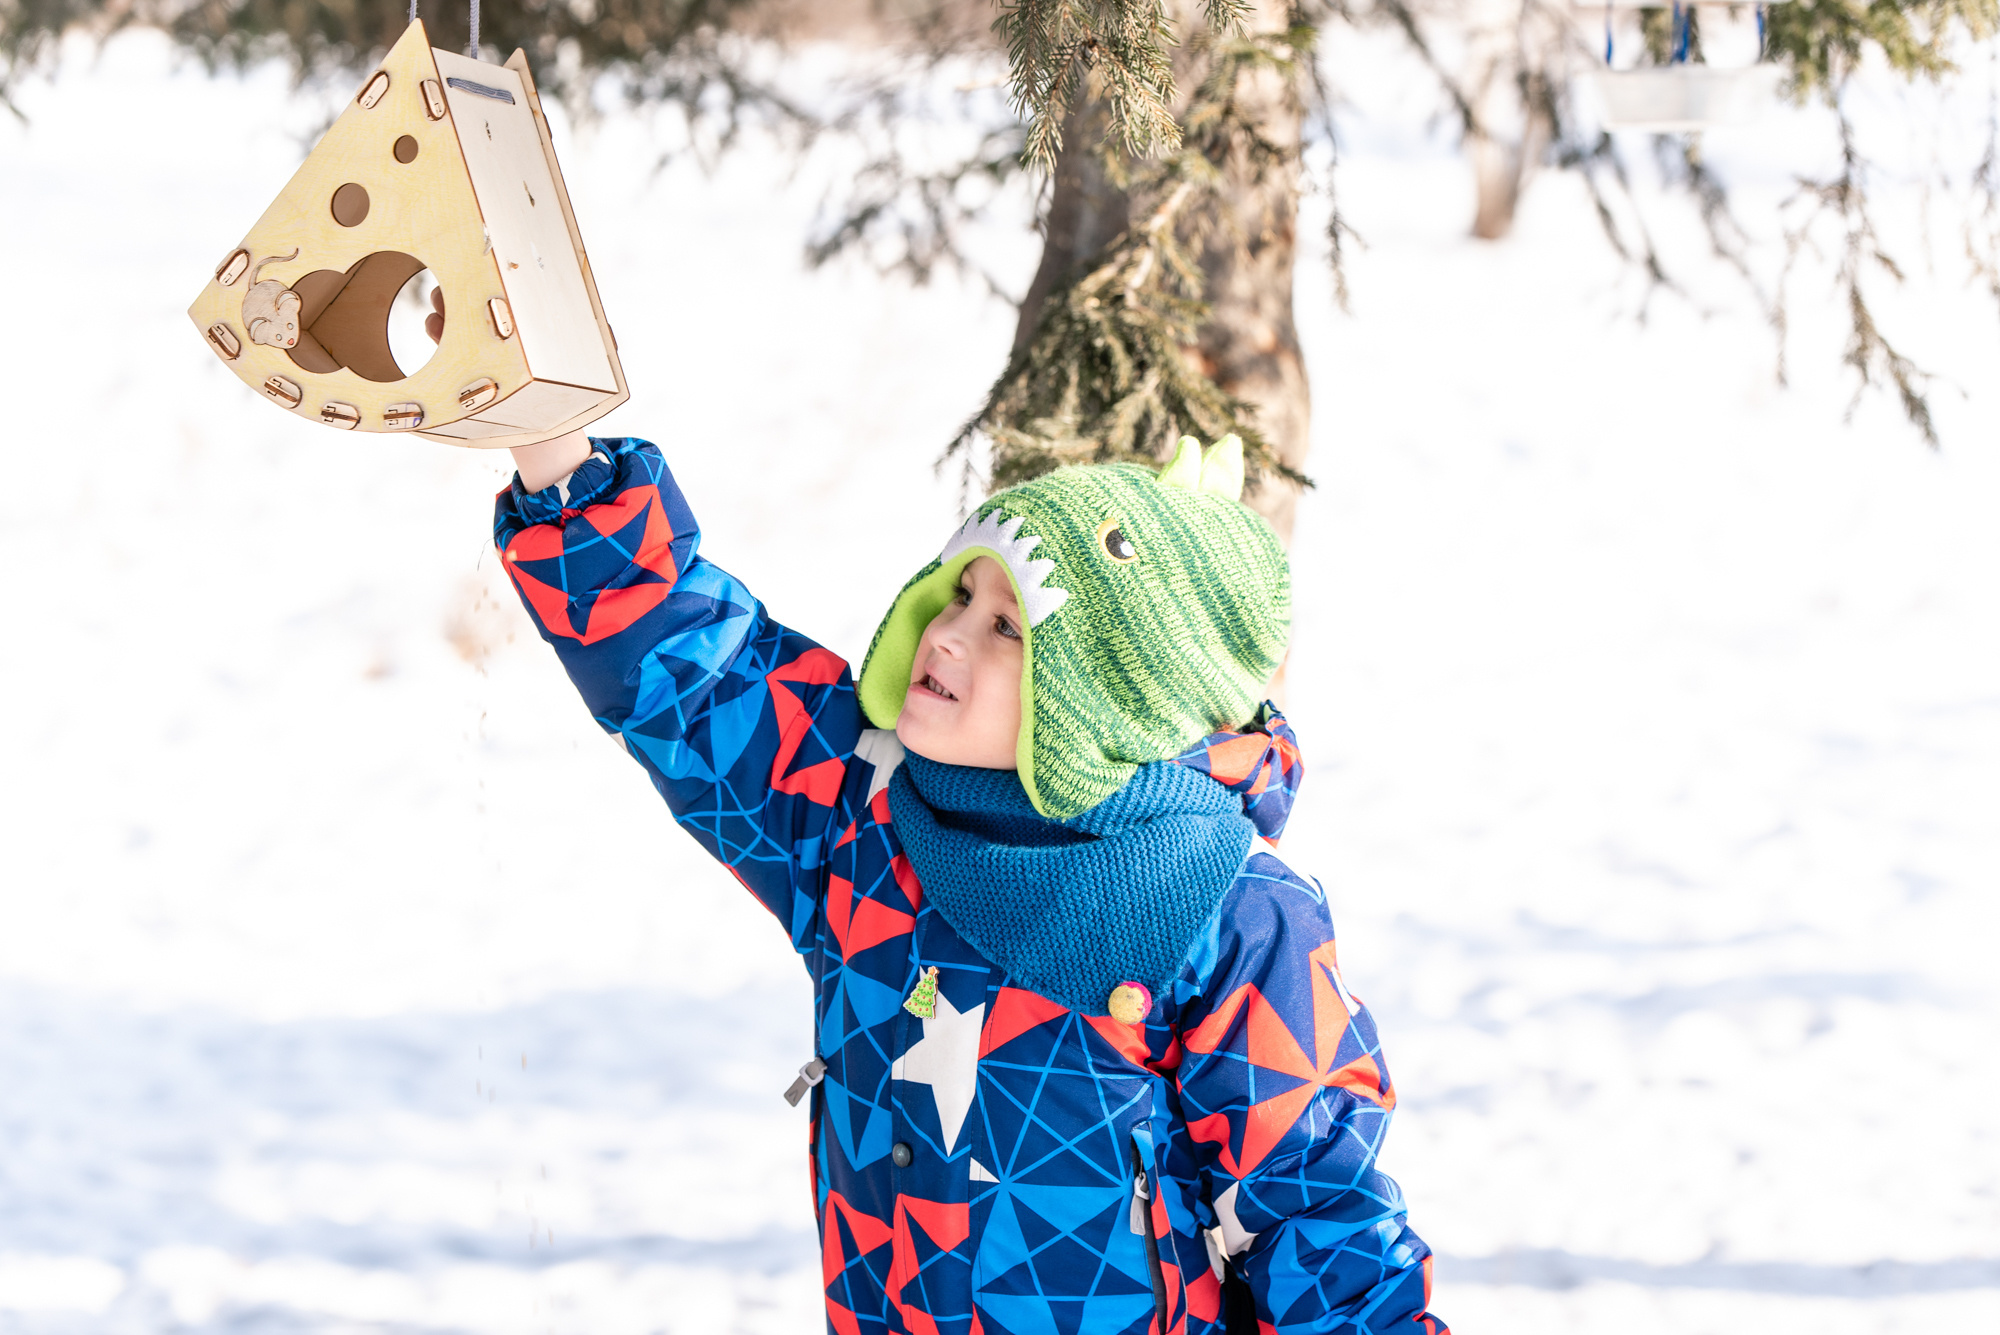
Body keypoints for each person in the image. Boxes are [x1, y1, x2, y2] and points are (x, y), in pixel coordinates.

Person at [491, 425, 1447, 1335]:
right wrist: (554, 448)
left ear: (1109, 697)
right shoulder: (861, 810)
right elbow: (697, 672)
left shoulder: (1231, 910)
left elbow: (1317, 1212)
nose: (946, 635)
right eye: (956, 597)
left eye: (1007, 626)